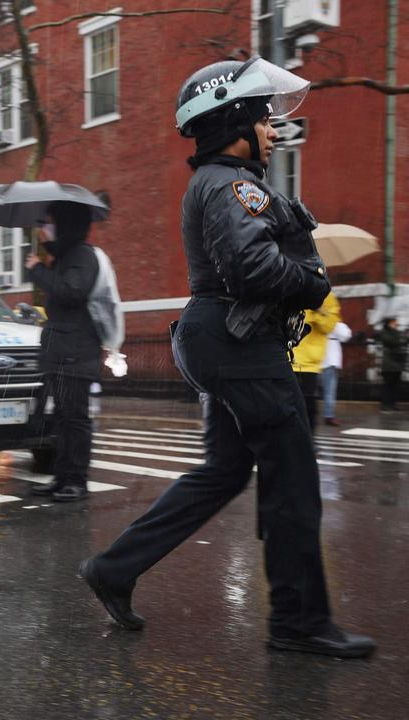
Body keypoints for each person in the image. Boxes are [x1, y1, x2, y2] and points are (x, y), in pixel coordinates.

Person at [79, 56, 375, 658]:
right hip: (240, 345)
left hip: (225, 339)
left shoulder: (227, 185)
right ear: (234, 119)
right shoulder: (228, 184)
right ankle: (297, 622)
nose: (272, 129)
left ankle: (114, 568)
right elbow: (251, 267)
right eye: (263, 118)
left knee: (225, 470)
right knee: (292, 477)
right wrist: (311, 280)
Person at [25, 202, 103, 503]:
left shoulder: (82, 255)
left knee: (75, 420)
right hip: (61, 353)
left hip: (77, 354)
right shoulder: (64, 257)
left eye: (49, 223)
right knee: (61, 419)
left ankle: (77, 481)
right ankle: (61, 477)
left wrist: (39, 271)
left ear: (65, 225)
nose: (43, 229)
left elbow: (72, 293)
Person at [290, 291, 339, 431]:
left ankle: (308, 443)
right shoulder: (289, 288)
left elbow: (329, 326)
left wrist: (318, 310)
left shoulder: (326, 296)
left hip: (309, 364)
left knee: (307, 407)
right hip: (287, 359)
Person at [319, 310, 351, 426]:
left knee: (311, 390)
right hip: (329, 362)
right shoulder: (333, 323)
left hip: (315, 360)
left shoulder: (317, 320)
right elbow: (346, 335)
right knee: (329, 391)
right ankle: (329, 416)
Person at [376, 318, 406, 412]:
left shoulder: (397, 332)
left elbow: (404, 340)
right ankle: (385, 405)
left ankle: (393, 404)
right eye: (394, 323)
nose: (396, 324)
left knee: (395, 385)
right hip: (389, 364)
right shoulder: (384, 333)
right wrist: (401, 339)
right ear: (389, 324)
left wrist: (401, 338)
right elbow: (394, 341)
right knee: (388, 385)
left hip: (398, 363)